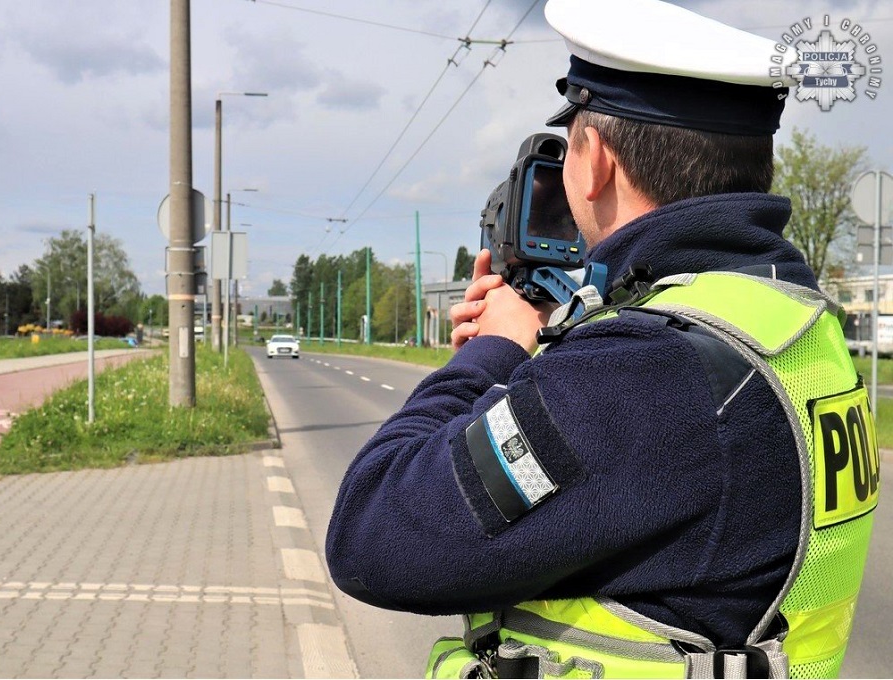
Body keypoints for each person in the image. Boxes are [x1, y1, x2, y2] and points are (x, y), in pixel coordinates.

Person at [325, 0, 879, 677]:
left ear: (595, 162)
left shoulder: (645, 369)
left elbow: (374, 535)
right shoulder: (795, 323)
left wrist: (487, 357)